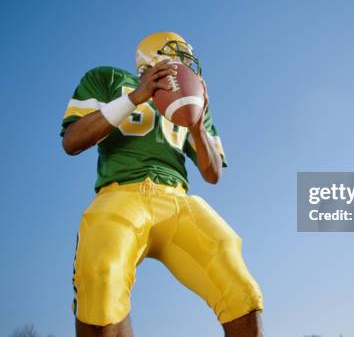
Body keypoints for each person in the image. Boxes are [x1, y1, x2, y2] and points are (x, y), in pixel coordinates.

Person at [60, 32, 264, 337]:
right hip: (121, 193)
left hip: (178, 200)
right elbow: (72, 141)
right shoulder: (108, 78)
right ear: (150, 57)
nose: (185, 64)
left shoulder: (192, 101)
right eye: (177, 54)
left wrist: (196, 124)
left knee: (241, 289)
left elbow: (213, 174)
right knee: (101, 273)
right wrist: (134, 98)